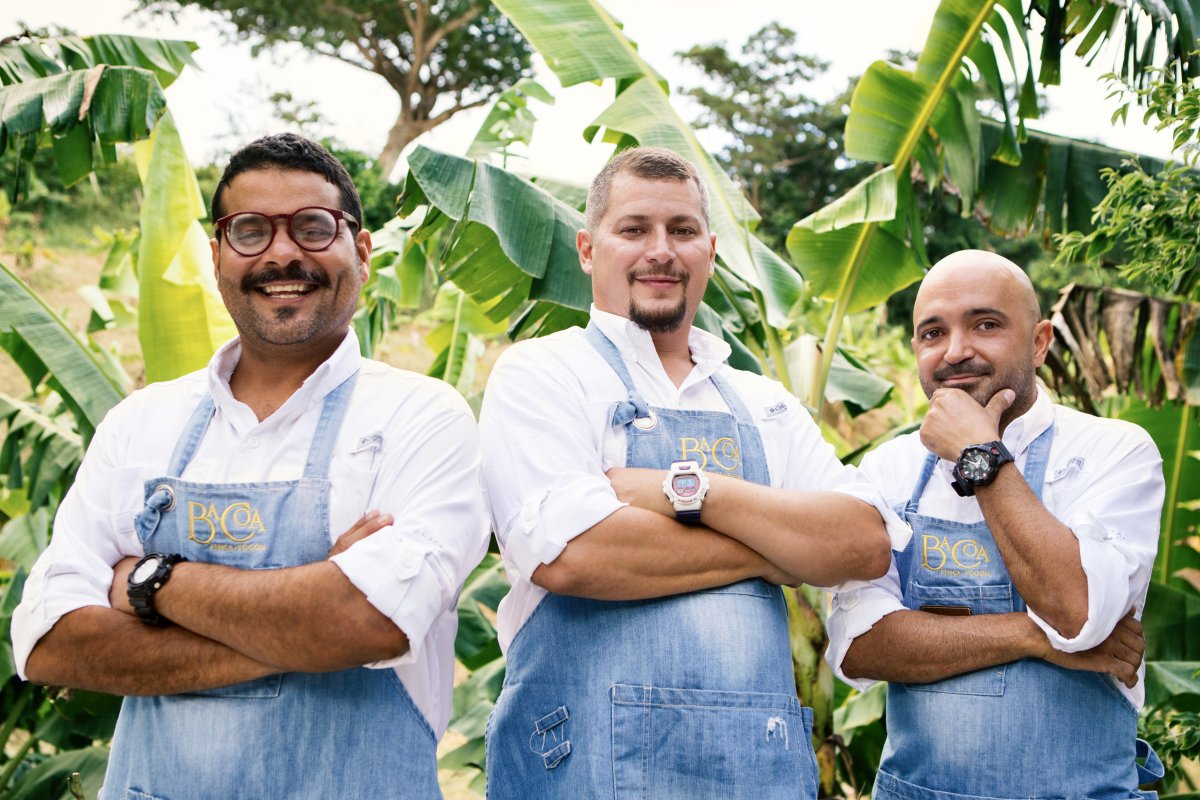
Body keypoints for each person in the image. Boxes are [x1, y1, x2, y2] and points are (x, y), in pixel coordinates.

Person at [12, 134, 488, 799]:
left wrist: (150, 582)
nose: (283, 253)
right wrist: (307, 620)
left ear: (363, 249)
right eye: (250, 231)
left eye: (314, 228)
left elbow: (367, 621)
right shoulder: (142, 421)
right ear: (217, 256)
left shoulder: (420, 417)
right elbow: (50, 642)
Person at [480, 145, 900, 799]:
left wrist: (694, 493)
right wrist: (775, 551)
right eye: (634, 229)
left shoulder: (765, 404)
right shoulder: (545, 374)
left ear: (709, 250)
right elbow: (574, 554)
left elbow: (864, 543)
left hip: (756, 775)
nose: (661, 251)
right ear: (589, 250)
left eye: (681, 231)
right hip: (586, 771)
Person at [826, 249, 1165, 799]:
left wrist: (978, 453)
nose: (956, 352)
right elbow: (860, 646)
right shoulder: (887, 468)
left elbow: (1076, 611)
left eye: (986, 324)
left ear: (1039, 341)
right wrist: (1036, 638)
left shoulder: (1114, 451)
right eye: (933, 333)